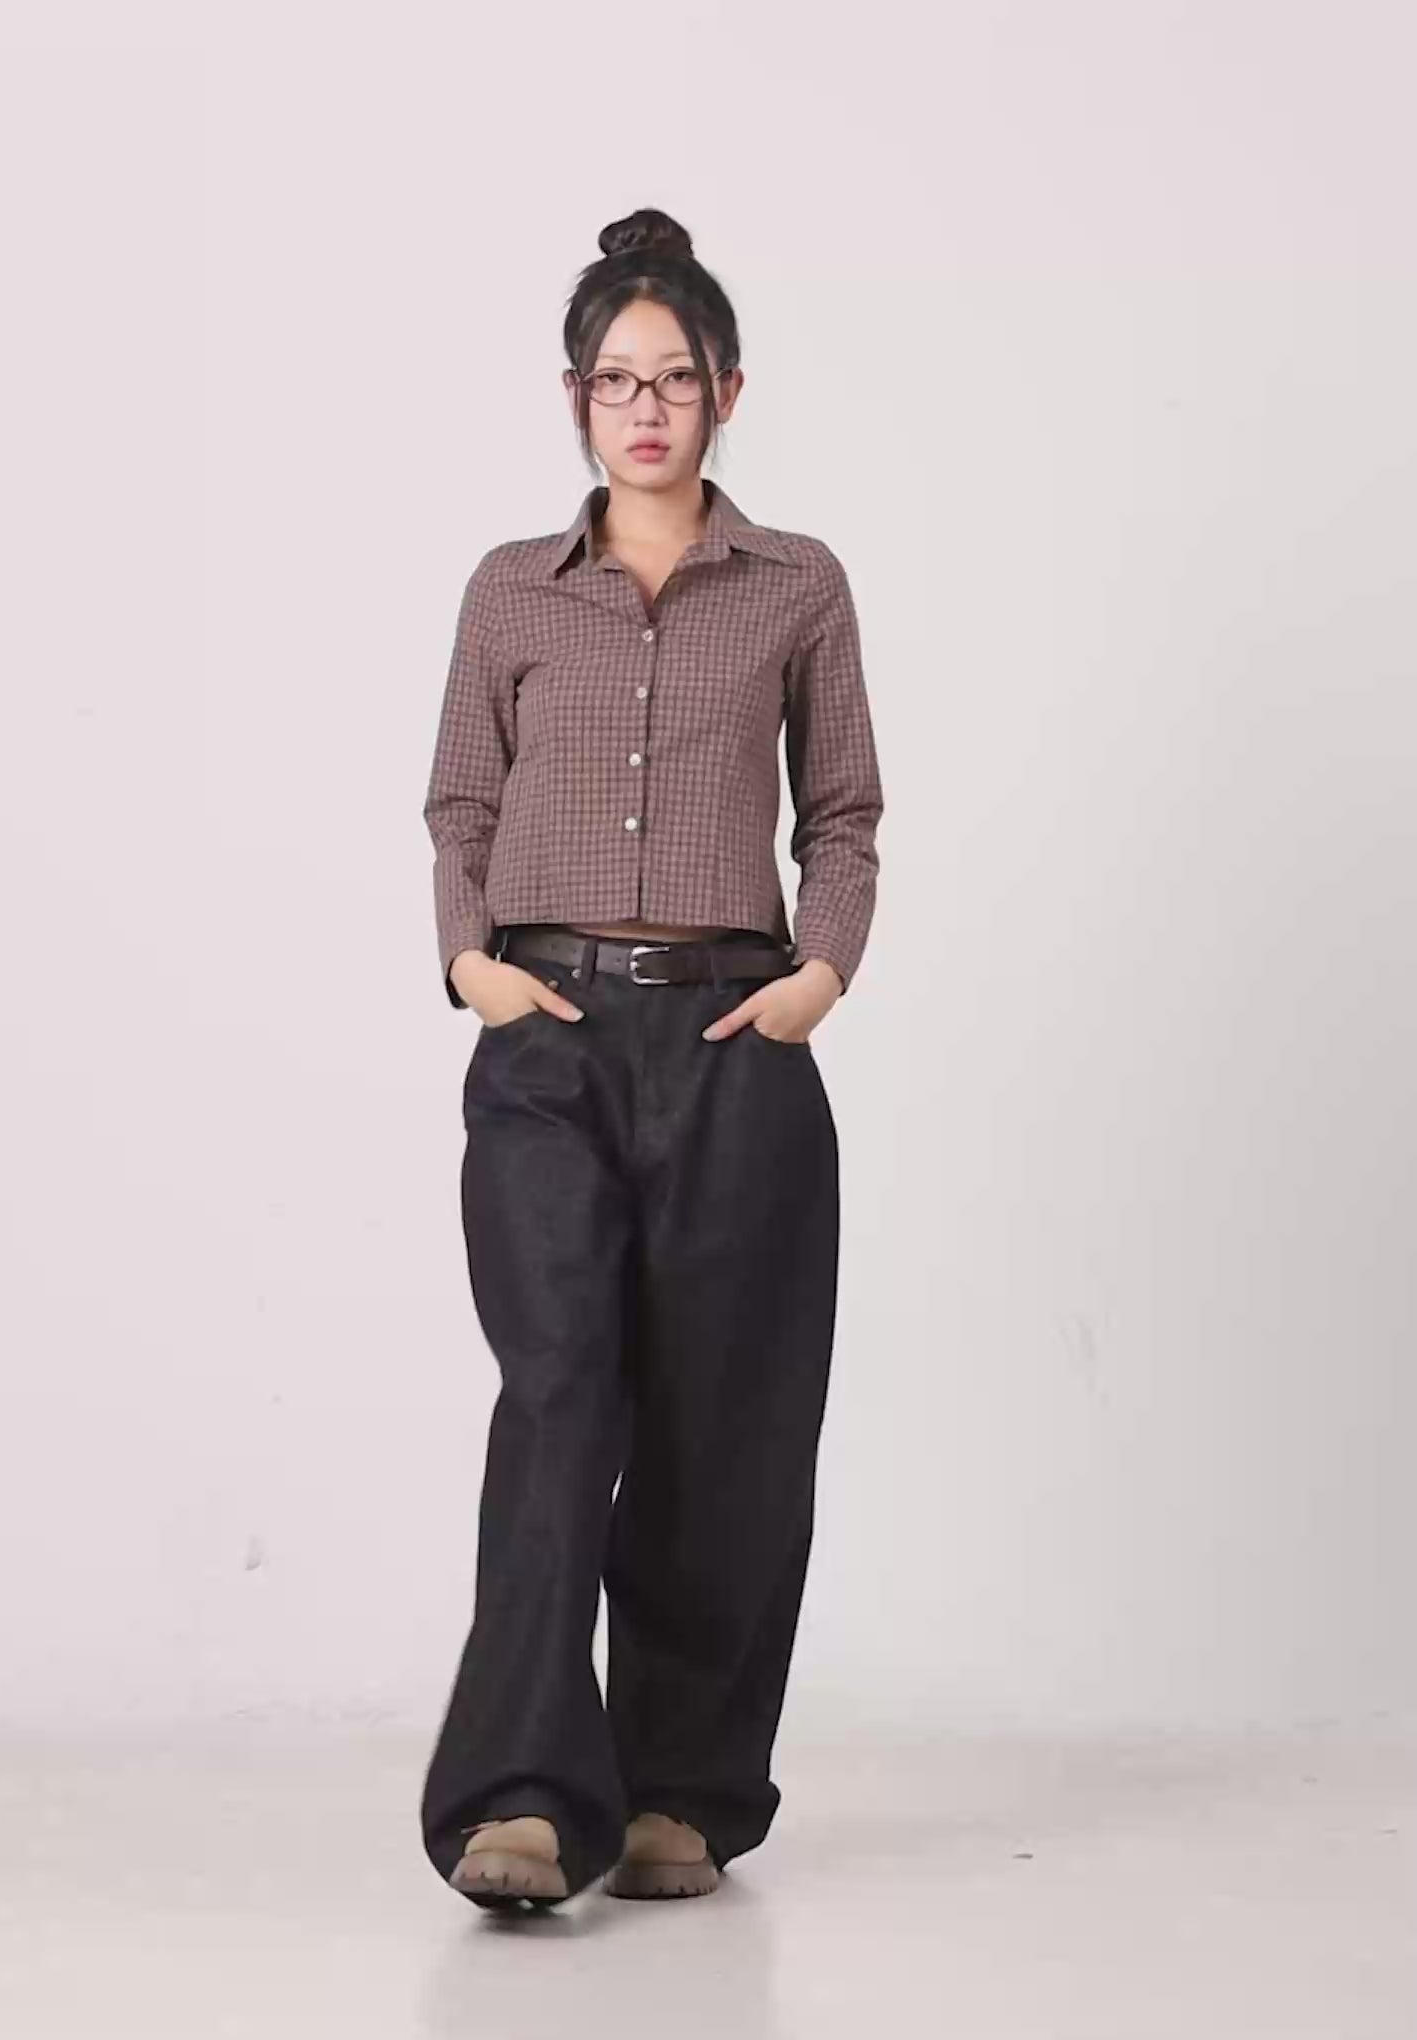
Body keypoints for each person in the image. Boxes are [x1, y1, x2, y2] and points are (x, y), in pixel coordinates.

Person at [418, 205, 883, 1911]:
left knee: (722, 1418)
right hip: (544, 1036)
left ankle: (684, 1787)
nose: (645, 409)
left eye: (674, 379)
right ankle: (526, 1799)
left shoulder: (798, 585)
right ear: (576, 401)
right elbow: (460, 800)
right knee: (560, 1396)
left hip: (731, 1037)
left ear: (726, 394)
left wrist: (819, 975)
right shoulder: (509, 591)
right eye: (615, 381)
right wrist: (470, 962)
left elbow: (844, 811)